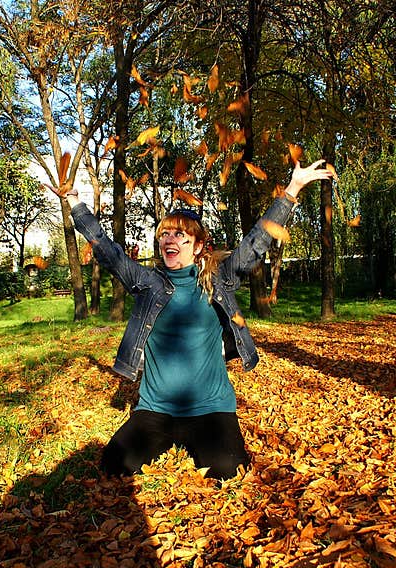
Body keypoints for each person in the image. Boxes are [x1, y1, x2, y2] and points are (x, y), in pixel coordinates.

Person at [46, 159, 335, 480]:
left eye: (182, 236)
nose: (171, 239)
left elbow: (256, 242)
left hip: (211, 410)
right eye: (165, 233)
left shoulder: (218, 280)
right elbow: (109, 253)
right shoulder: (147, 282)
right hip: (156, 411)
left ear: (198, 247)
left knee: (229, 470)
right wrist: (75, 202)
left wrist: (292, 189)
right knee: (114, 464)